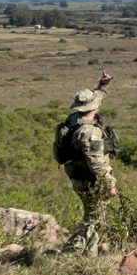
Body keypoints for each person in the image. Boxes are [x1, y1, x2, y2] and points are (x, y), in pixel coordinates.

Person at [56, 71, 116, 255]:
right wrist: (110, 184)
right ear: (92, 107)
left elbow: (97, 97)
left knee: (97, 217)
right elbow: (96, 163)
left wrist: (102, 85)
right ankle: (71, 252)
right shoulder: (88, 132)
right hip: (90, 180)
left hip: (78, 175)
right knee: (94, 219)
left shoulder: (74, 119)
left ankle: (89, 253)